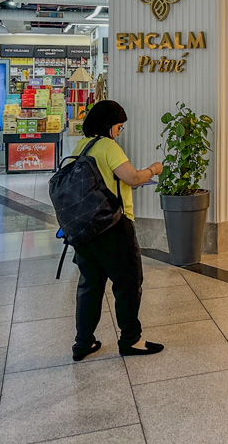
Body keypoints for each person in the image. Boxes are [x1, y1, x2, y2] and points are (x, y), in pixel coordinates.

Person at [70, 100, 166, 361]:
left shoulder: (81, 146)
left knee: (90, 285)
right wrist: (153, 169)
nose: (120, 132)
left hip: (84, 228)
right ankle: (131, 340)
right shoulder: (108, 147)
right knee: (128, 283)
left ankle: (83, 343)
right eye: (119, 126)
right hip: (113, 225)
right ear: (109, 125)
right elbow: (132, 178)